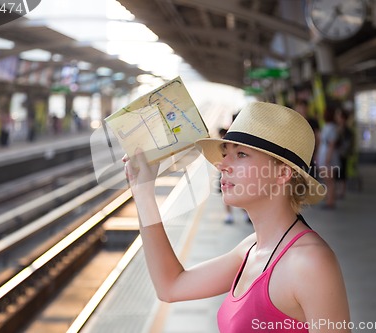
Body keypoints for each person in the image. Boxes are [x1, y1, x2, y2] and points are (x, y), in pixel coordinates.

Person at [124, 102, 350, 332]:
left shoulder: (310, 262)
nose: (223, 165)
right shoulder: (250, 248)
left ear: (282, 173)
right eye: (226, 153)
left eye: (241, 154)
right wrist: (143, 194)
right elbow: (170, 287)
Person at [316, 106, 340, 209]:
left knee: (329, 180)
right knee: (327, 180)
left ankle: (331, 201)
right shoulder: (327, 126)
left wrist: (327, 158)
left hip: (328, 156)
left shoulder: (332, 128)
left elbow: (331, 144)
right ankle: (329, 199)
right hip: (324, 154)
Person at [335, 109, 354, 199]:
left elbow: (346, 143)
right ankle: (339, 190)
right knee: (339, 172)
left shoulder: (345, 130)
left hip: (342, 153)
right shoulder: (341, 128)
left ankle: (341, 191)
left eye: (339, 116)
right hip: (340, 153)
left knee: (342, 172)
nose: (337, 118)